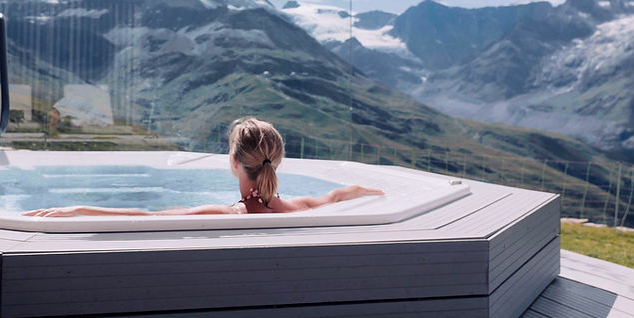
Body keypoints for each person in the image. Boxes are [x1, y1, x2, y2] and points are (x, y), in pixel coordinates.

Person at [22, 117, 383, 217]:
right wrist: (373, 191)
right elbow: (340, 194)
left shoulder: (231, 213)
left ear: (234, 162)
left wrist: (80, 208)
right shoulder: (302, 207)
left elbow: (147, 217)